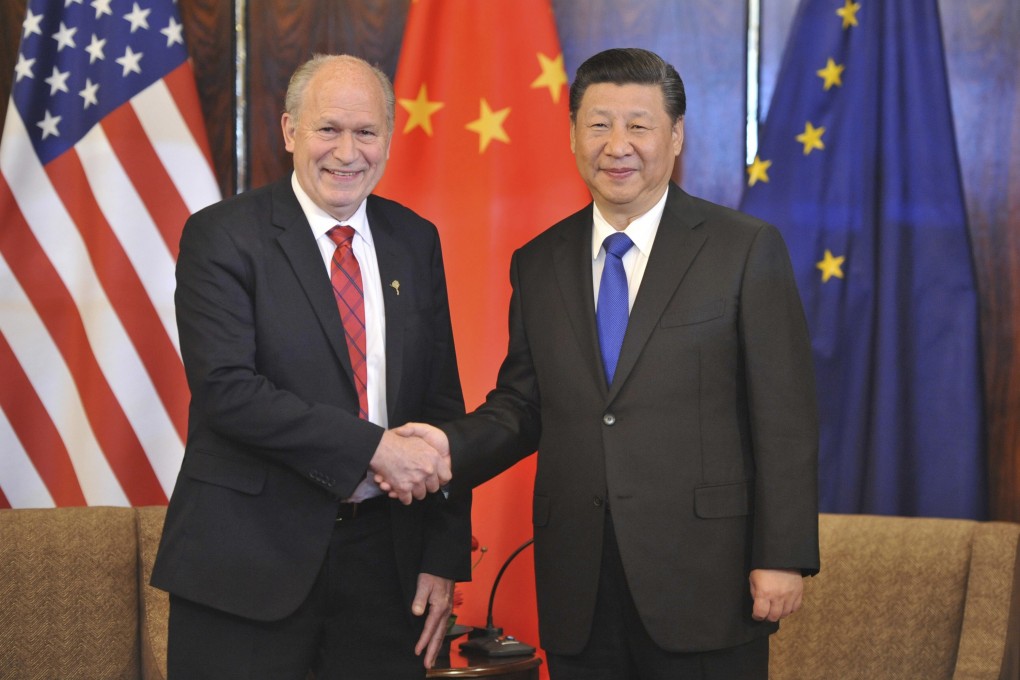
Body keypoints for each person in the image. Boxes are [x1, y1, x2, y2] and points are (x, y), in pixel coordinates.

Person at [396, 47, 819, 679]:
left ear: (675, 137)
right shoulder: (538, 262)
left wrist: (783, 555)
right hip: (579, 581)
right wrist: (446, 447)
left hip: (707, 577)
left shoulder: (744, 249)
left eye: (639, 125)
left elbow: (784, 416)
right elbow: (523, 405)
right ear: (572, 136)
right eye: (598, 125)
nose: (617, 144)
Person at [150, 54, 471, 679]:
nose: (347, 152)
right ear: (291, 130)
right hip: (247, 565)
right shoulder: (222, 235)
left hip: (387, 570)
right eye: (328, 129)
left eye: (366, 132)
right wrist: (375, 448)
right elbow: (228, 392)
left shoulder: (415, 238)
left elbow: (440, 404)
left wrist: (444, 552)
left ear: (388, 137)